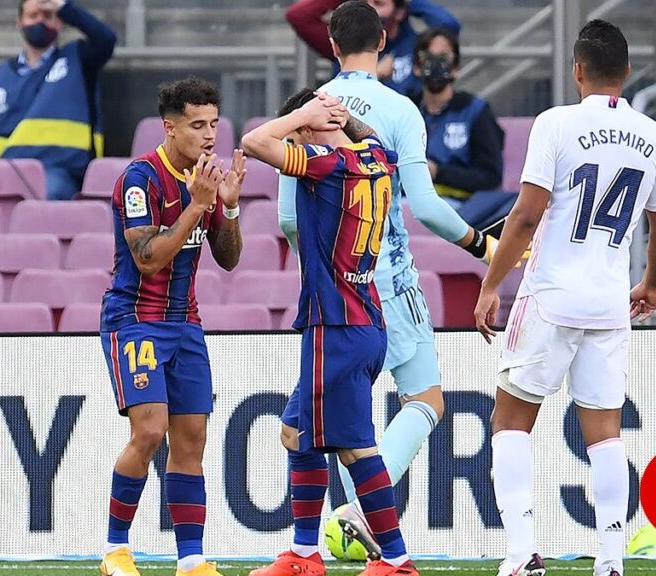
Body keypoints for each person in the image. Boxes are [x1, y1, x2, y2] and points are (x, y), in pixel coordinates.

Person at [277, 0, 495, 559]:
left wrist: (325, 261)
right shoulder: (399, 109)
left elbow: (285, 218)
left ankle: (319, 543)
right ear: (382, 42)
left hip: (329, 290)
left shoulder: (307, 109)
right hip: (388, 280)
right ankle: (356, 515)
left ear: (330, 47)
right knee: (424, 401)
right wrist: (480, 245)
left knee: (322, 424)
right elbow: (425, 206)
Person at [473, 19, 656, 576]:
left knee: (510, 424)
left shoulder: (556, 124)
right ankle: (611, 559)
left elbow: (527, 213)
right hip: (611, 304)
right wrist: (653, 284)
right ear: (628, 73)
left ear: (578, 69)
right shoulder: (653, 135)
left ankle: (521, 554)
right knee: (605, 436)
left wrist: (492, 284)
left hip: (550, 298)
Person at [242, 88, 417, 576]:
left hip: (336, 324)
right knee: (295, 431)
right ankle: (303, 555)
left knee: (355, 446)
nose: (293, 140)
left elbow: (255, 142)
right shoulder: (375, 157)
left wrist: (305, 116)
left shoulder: (327, 163)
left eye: (298, 132)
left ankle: (398, 562)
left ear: (309, 130)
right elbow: (373, 138)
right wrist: (341, 119)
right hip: (364, 318)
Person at [98, 78, 245, 576]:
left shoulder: (205, 180)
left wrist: (228, 206)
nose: (209, 136)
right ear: (171, 127)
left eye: (214, 125)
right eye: (198, 125)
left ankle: (191, 560)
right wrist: (199, 206)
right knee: (150, 431)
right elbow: (145, 260)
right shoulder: (139, 179)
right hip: (135, 319)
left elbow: (227, 260)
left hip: (186, 324)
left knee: (191, 440)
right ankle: (116, 550)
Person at [0, 0, 116, 200]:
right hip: (2, 169)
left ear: (59, 23)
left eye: (47, 16)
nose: (40, 22)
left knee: (45, 193)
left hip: (59, 170)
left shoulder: (77, 58)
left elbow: (106, 40)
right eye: (33, 16)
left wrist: (64, 7)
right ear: (19, 23)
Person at [413, 27, 511, 232]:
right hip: (409, 202)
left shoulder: (475, 111)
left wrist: (438, 172)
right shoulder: (406, 109)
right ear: (417, 66)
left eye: (444, 57)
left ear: (456, 68)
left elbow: (490, 178)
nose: (436, 65)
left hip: (461, 208)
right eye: (429, 57)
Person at [286, 0, 460, 96]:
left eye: (378, 3)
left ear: (399, 12)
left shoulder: (416, 45)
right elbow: (298, 16)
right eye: (365, 2)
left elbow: (449, 25)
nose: (369, 9)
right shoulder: (348, 41)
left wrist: (411, 2)